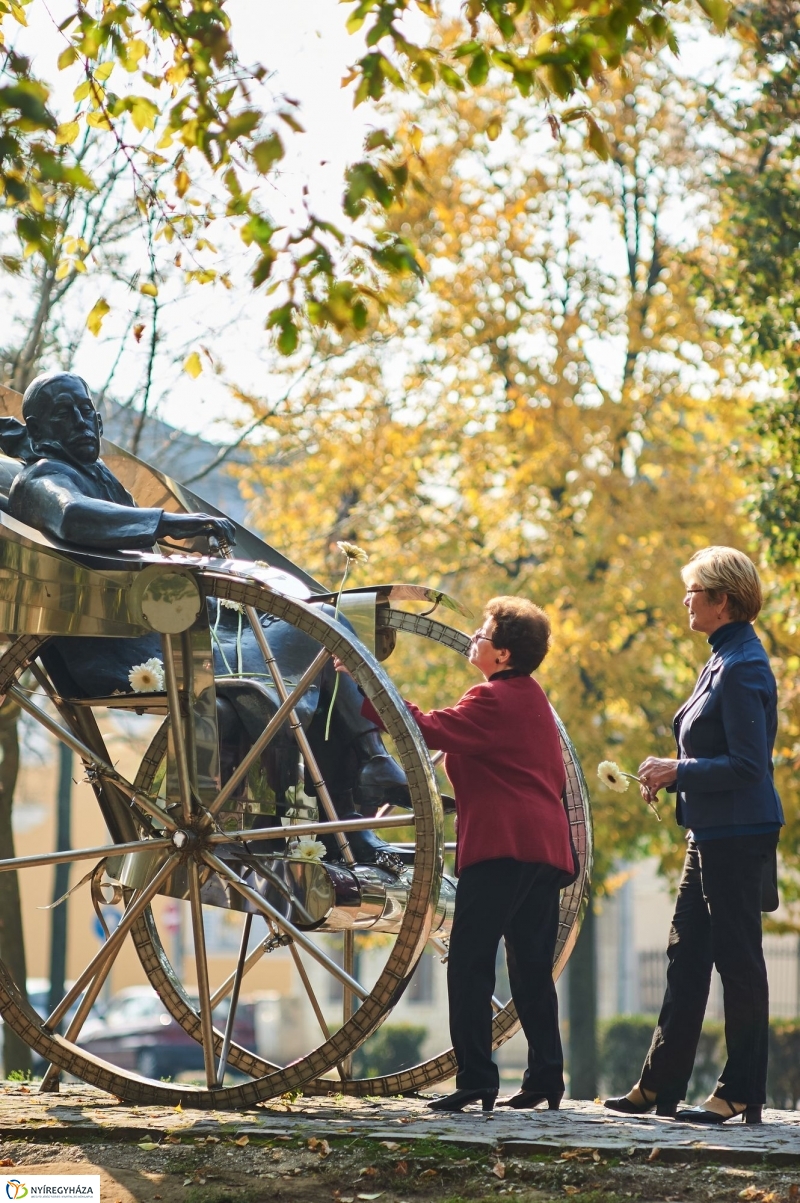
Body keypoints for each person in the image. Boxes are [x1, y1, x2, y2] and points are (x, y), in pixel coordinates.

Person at [350, 596, 576, 1113]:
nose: (474, 637)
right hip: (544, 850)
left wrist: (365, 686)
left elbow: (423, 727)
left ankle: (476, 1079)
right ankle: (546, 1078)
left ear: (502, 653)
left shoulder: (492, 699)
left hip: (501, 847)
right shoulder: (532, 699)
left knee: (470, 961)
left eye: (482, 631)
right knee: (531, 969)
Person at [604, 546, 783, 1126]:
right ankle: (661, 1084)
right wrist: (672, 771)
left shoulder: (744, 665)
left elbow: (749, 767)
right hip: (709, 832)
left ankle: (740, 1092)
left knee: (738, 961)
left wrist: (677, 771)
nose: (685, 600)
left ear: (721, 599)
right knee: (686, 957)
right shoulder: (719, 660)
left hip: (739, 833)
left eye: (694, 591)